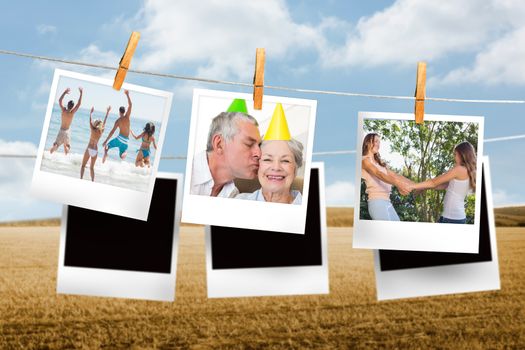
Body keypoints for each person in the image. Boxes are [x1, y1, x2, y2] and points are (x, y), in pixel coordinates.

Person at [191, 110, 261, 197]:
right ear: (219, 144)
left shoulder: (233, 194)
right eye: (249, 144)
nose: (259, 154)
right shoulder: (188, 176)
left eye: (259, 145)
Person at [408, 141, 477, 224]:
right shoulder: (468, 171)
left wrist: (412, 186)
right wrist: (424, 187)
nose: (454, 157)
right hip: (450, 216)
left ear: (462, 154)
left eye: (455, 154)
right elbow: (445, 185)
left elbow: (434, 182)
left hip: (452, 219)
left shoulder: (460, 169)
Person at [361, 133, 413, 221]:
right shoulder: (365, 160)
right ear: (368, 142)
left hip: (387, 202)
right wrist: (398, 184)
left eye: (379, 142)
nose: (378, 144)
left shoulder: (380, 163)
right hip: (377, 202)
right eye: (376, 141)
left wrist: (415, 185)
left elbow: (395, 175)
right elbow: (378, 174)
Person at [236, 139, 303, 204]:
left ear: (295, 169)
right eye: (267, 159)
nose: (276, 167)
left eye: (285, 160)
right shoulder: (238, 201)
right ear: (257, 166)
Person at [80, 106, 110, 181]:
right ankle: (93, 181)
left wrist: (90, 113)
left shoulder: (92, 129)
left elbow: (90, 121)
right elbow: (104, 122)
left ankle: (81, 179)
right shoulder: (101, 131)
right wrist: (107, 113)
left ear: (95, 124)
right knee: (91, 168)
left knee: (83, 166)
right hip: (95, 151)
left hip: (89, 148)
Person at [50, 87, 83, 155]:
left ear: (67, 105)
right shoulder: (72, 113)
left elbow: (59, 101)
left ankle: (54, 147)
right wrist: (81, 93)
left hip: (61, 130)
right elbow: (79, 104)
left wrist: (64, 93)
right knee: (67, 149)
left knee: (56, 145)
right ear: (72, 106)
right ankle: (65, 147)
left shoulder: (63, 110)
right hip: (67, 132)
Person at [102, 90, 132, 162]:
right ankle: (125, 153)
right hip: (126, 141)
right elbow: (130, 105)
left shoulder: (118, 121)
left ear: (119, 112)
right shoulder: (127, 117)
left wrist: (105, 141)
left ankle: (105, 154)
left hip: (119, 139)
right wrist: (127, 95)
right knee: (121, 156)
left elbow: (112, 132)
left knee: (107, 147)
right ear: (124, 112)